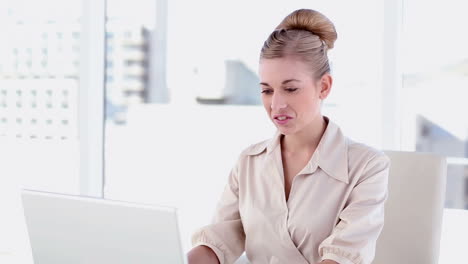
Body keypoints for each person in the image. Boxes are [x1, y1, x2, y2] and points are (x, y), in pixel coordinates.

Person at [187, 9, 390, 264]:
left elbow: (343, 257)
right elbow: (220, 240)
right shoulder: (249, 162)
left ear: (324, 86)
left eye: (291, 89)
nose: (276, 105)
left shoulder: (367, 166)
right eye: (267, 90)